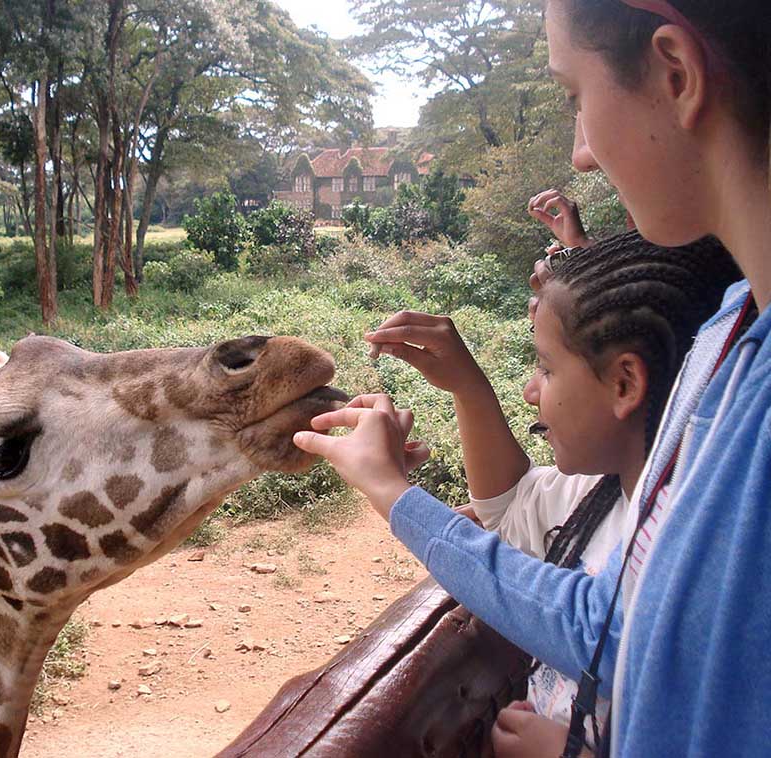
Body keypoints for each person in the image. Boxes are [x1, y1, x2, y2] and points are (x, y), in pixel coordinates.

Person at [293, 1, 771, 755]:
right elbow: (629, 630)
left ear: (676, 74)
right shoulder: (728, 336)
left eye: (577, 97)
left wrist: (393, 494)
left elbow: (612, 631)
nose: (581, 153)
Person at [371, 231, 739, 754]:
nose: (530, 389)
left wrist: (389, 489)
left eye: (545, 366)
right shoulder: (600, 496)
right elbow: (510, 505)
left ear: (624, 385)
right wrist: (468, 386)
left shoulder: (687, 560)